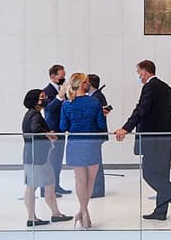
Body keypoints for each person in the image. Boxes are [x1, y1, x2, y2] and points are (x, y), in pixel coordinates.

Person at [115, 60, 171, 220]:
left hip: (154, 138)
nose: (138, 76)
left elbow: (140, 110)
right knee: (161, 175)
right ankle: (160, 211)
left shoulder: (149, 87)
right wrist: (162, 111)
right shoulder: (162, 85)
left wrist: (126, 128)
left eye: (138, 73)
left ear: (145, 71)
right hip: (166, 135)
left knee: (149, 173)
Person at [60, 73, 107, 229]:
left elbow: (63, 127)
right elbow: (100, 125)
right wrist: (102, 114)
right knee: (91, 180)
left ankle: (83, 212)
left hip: (75, 143)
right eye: (87, 81)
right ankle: (83, 212)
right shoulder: (94, 102)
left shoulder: (66, 104)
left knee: (80, 180)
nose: (89, 84)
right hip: (92, 143)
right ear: (81, 84)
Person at [22, 89, 73, 227]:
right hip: (38, 157)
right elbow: (35, 129)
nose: (45, 100)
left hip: (33, 155)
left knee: (43, 185)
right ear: (36, 101)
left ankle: (54, 214)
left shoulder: (31, 114)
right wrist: (49, 134)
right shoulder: (35, 115)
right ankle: (36, 217)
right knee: (38, 186)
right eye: (42, 97)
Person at [41, 64, 71, 196]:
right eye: (61, 76)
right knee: (50, 160)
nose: (63, 79)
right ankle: (46, 189)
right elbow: (49, 109)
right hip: (52, 130)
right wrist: (59, 96)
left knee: (58, 160)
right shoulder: (47, 91)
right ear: (53, 76)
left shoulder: (61, 90)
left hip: (60, 130)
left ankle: (56, 185)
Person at [87, 74, 109, 198]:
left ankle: (97, 189)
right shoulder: (94, 96)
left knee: (96, 162)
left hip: (96, 134)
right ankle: (95, 188)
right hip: (95, 134)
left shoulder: (97, 97)